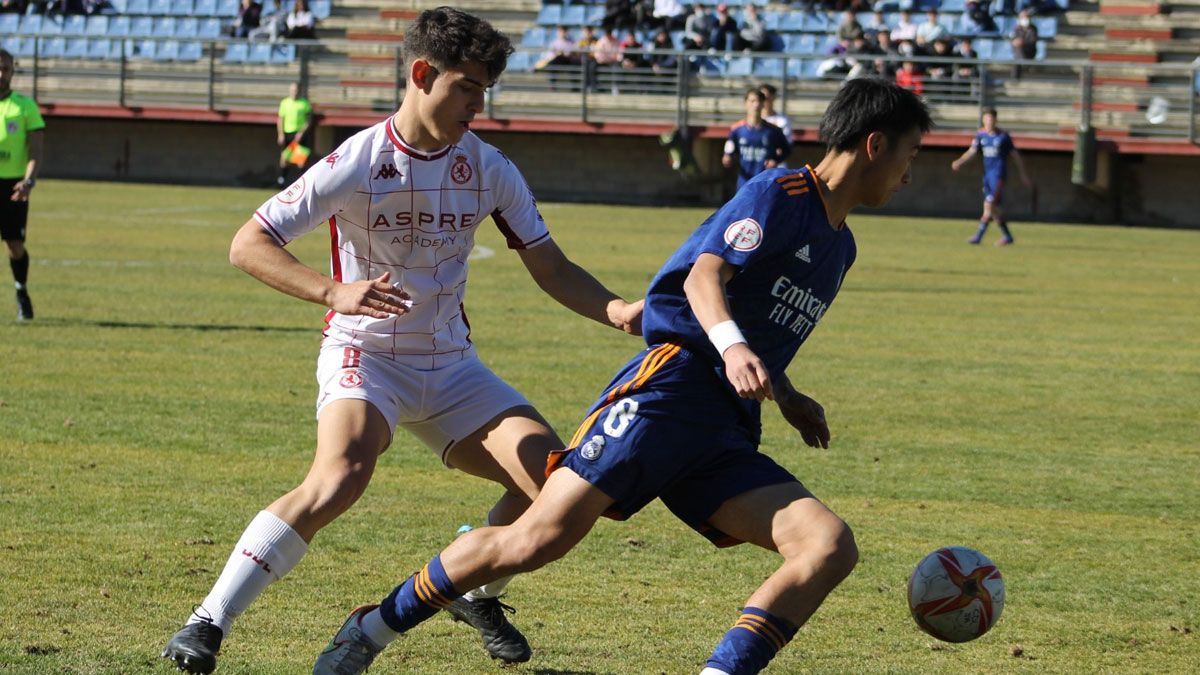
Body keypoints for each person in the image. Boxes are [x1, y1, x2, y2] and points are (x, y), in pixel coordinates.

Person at [312, 76, 932, 675]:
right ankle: (371, 628)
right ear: (875, 144)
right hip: (669, 392)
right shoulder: (780, 193)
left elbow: (760, 332)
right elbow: (703, 277)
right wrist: (735, 348)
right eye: (910, 154)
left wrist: (787, 394)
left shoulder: (841, 248)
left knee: (828, 546)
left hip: (724, 428)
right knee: (535, 540)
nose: (911, 174)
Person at [160, 8, 643, 675]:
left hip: (452, 368)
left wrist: (619, 310)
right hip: (368, 355)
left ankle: (475, 591)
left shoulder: (490, 167)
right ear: (422, 74)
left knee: (564, 486)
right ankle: (207, 620)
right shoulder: (358, 160)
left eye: (485, 90)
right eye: (468, 87)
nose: (479, 104)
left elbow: (551, 265)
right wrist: (334, 291)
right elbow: (249, 244)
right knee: (341, 475)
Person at [0, 50, 43, 322]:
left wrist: (28, 180)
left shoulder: (24, 106)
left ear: (13, 71)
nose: (1, 73)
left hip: (13, 187)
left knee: (14, 245)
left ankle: (21, 292)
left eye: (5, 68)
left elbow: (36, 149)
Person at [951, 107, 1032, 245]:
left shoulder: (1003, 137)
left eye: (991, 119)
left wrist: (1023, 175)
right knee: (993, 209)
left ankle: (978, 237)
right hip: (987, 176)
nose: (989, 121)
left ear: (995, 120)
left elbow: (1016, 156)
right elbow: (972, 152)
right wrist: (960, 161)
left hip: (998, 176)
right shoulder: (981, 135)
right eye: (986, 118)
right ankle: (1007, 236)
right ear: (983, 120)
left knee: (989, 205)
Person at [722, 88, 790, 191]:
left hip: (766, 182)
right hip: (744, 183)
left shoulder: (773, 131)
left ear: (763, 104)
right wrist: (727, 158)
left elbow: (787, 150)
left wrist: (775, 160)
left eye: (759, 101)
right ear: (746, 103)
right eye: (752, 101)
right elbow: (730, 150)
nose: (756, 105)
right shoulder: (737, 130)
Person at [274, 81, 312, 187]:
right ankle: (281, 181)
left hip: (299, 135)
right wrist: (280, 134)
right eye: (292, 90)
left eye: (296, 90)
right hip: (287, 134)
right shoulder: (284, 103)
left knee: (300, 161)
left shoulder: (304, 104)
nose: (294, 92)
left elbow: (308, 120)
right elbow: (280, 119)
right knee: (285, 158)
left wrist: (301, 132)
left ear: (299, 91)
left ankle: (301, 184)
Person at [759, 83, 792, 165]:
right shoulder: (753, 121)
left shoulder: (782, 120)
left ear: (773, 98)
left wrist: (775, 159)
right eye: (761, 98)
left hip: (776, 165)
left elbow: (786, 144)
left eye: (766, 97)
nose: (763, 101)